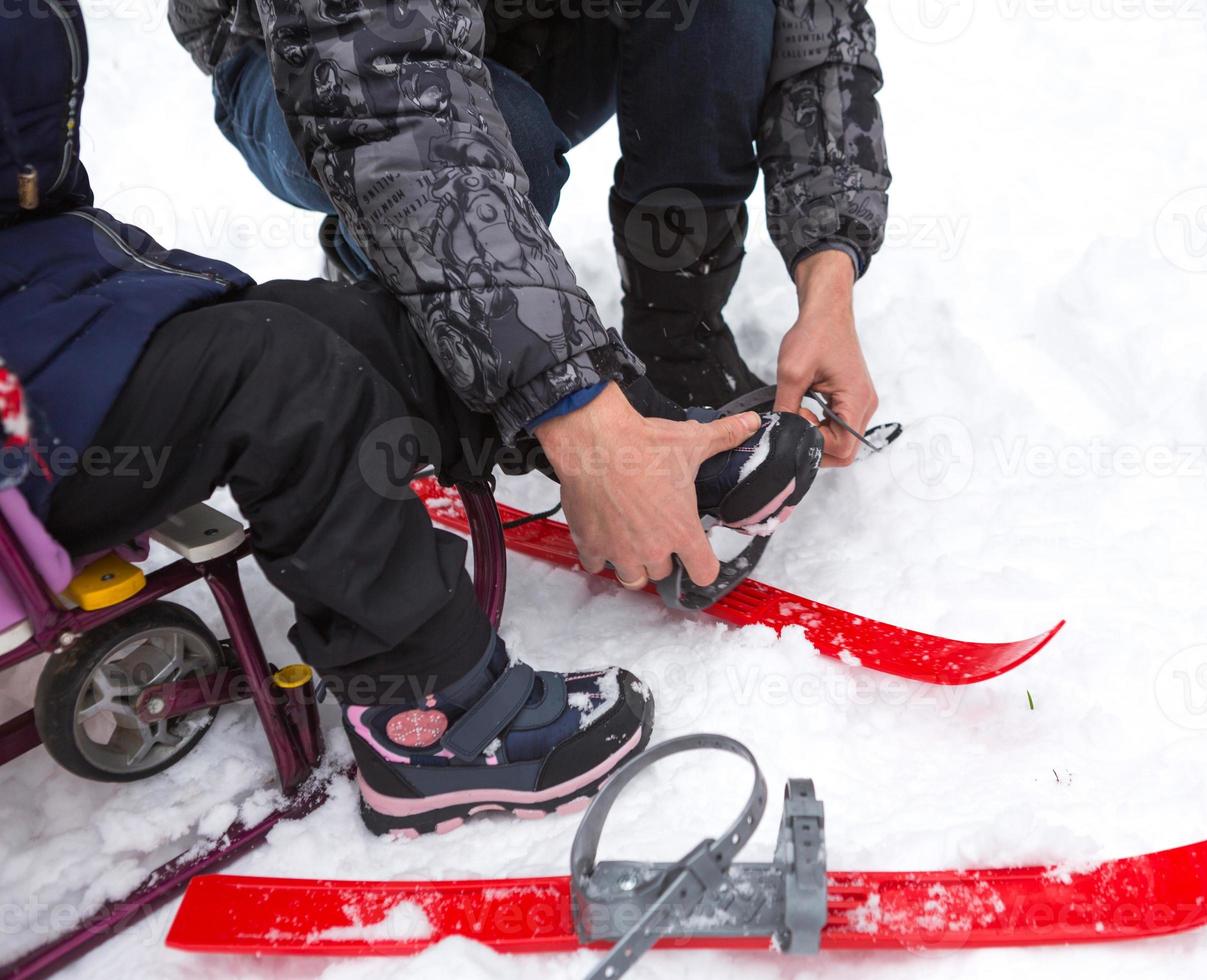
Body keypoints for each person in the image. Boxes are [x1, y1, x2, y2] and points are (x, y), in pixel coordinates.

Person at [0, 0, 819, 836]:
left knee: (341, 330)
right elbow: (387, 90)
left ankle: (632, 436)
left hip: (55, 309)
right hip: (21, 425)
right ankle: (431, 714)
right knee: (287, 378)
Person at [166, 0, 890, 591]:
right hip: (305, 56)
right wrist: (568, 403)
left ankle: (678, 334)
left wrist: (829, 279)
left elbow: (814, 26)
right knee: (501, 139)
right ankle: (393, 303)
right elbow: (386, 101)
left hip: (525, 25)